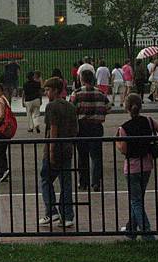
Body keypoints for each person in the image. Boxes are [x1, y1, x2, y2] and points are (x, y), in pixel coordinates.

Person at [115, 93, 158, 240]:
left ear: (126, 108)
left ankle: (147, 232)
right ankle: (131, 229)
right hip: (147, 164)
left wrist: (117, 143)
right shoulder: (149, 121)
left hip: (132, 167)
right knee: (138, 198)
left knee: (135, 200)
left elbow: (123, 149)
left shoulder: (123, 128)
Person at [39, 77, 78, 228]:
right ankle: (68, 216)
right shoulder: (70, 106)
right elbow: (76, 129)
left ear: (55, 90)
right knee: (66, 183)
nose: (46, 93)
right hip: (67, 147)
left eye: (48, 90)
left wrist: (51, 150)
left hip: (54, 148)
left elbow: (53, 129)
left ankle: (51, 211)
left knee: (45, 179)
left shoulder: (52, 107)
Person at [71, 69, 111, 191]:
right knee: (96, 156)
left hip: (82, 127)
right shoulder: (101, 93)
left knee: (82, 156)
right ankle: (96, 182)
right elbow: (108, 107)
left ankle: (84, 182)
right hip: (96, 127)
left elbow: (72, 110)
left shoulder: (76, 93)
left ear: (81, 79)